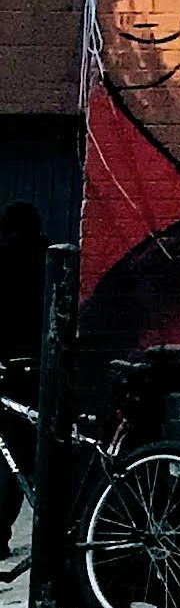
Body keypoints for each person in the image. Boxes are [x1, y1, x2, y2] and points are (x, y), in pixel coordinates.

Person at [0, 202, 43, 555]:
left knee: (9, 455)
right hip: (46, 367)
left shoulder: (4, 261)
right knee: (33, 451)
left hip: (10, 367)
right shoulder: (50, 259)